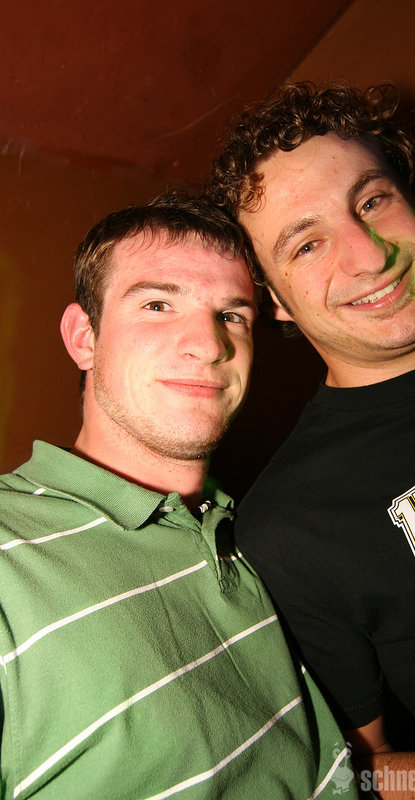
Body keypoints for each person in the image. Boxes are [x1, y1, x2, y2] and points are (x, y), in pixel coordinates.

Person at [207, 82, 415, 797]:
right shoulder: (288, 524)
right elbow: (358, 767)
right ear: (273, 300)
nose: (369, 254)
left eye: (373, 201)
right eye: (308, 243)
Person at [0, 194, 369, 799]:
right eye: (157, 304)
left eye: (232, 315)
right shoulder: (9, 557)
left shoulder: (265, 531)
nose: (209, 344)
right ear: (84, 337)